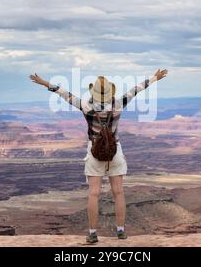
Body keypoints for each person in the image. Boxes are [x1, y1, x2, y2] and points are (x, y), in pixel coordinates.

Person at [29, 69, 168, 243]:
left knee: (93, 194)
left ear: (93, 92)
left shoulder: (86, 106)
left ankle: (93, 233)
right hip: (115, 152)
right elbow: (136, 89)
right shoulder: (118, 104)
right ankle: (120, 231)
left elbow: (64, 93)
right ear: (110, 92)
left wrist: (45, 83)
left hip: (94, 153)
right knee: (118, 193)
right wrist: (155, 78)